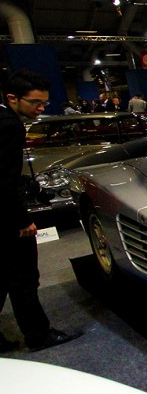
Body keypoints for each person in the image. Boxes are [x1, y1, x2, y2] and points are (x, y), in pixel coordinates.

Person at [0, 70, 84, 353]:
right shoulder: (8, 125)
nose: (40, 109)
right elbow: (5, 179)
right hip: (8, 219)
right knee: (24, 278)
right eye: (35, 103)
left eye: (44, 103)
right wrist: (22, 219)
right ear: (12, 98)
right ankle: (38, 335)